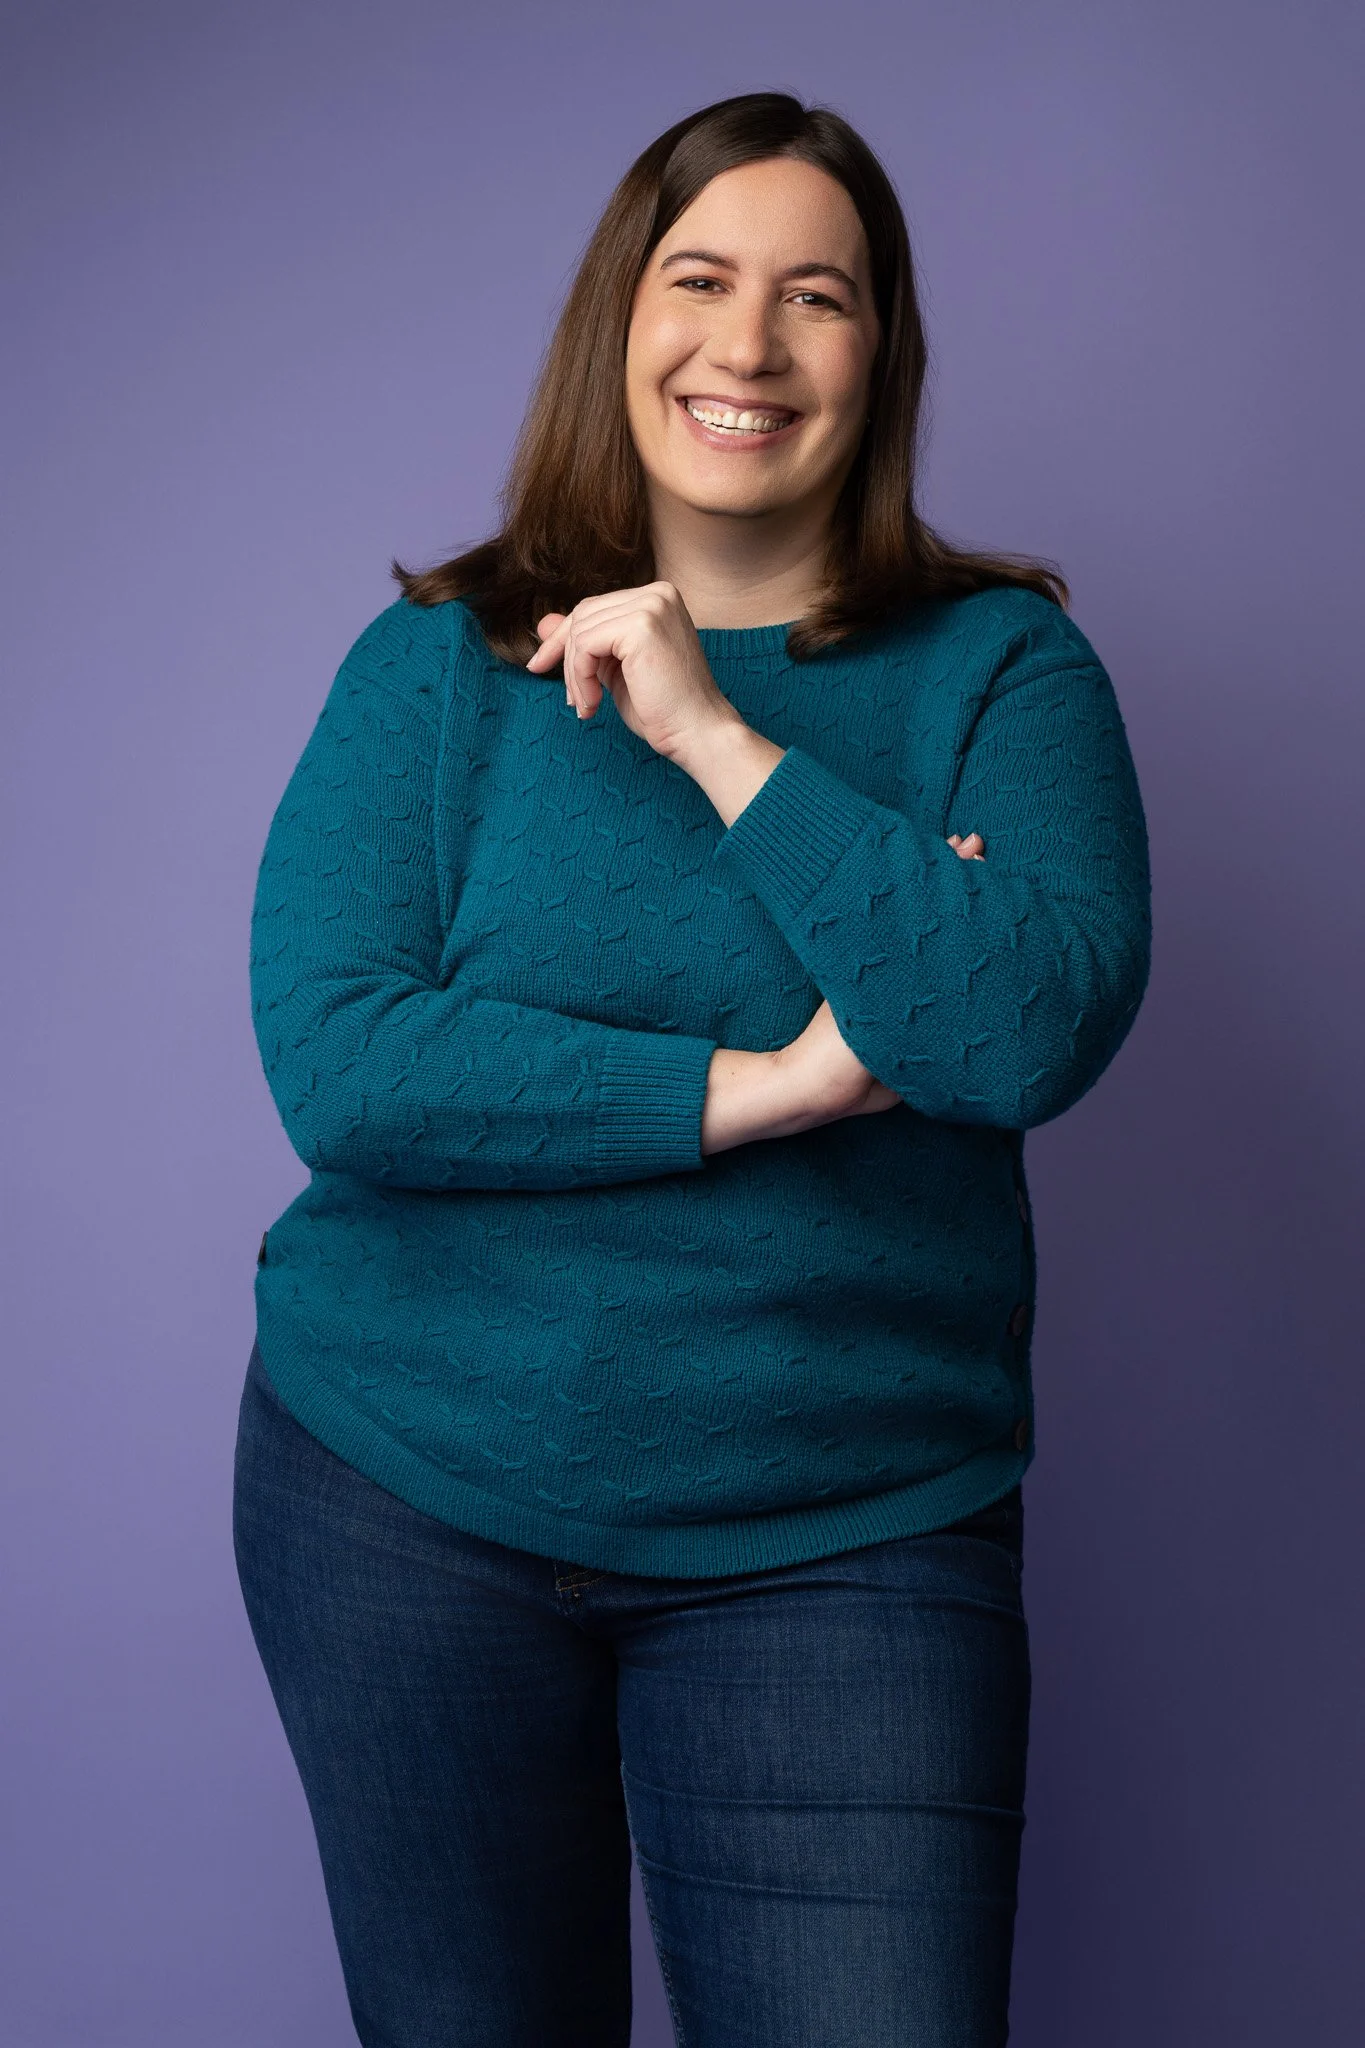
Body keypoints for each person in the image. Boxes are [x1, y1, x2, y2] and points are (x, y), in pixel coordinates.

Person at [234, 90, 1150, 2048]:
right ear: (616, 321)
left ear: (877, 355)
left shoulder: (1003, 673)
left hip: (843, 1533)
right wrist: (786, 1083)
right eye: (700, 280)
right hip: (396, 1505)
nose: (747, 345)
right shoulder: (437, 667)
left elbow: (1016, 1029)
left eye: (814, 297)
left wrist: (723, 742)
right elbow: (347, 1062)